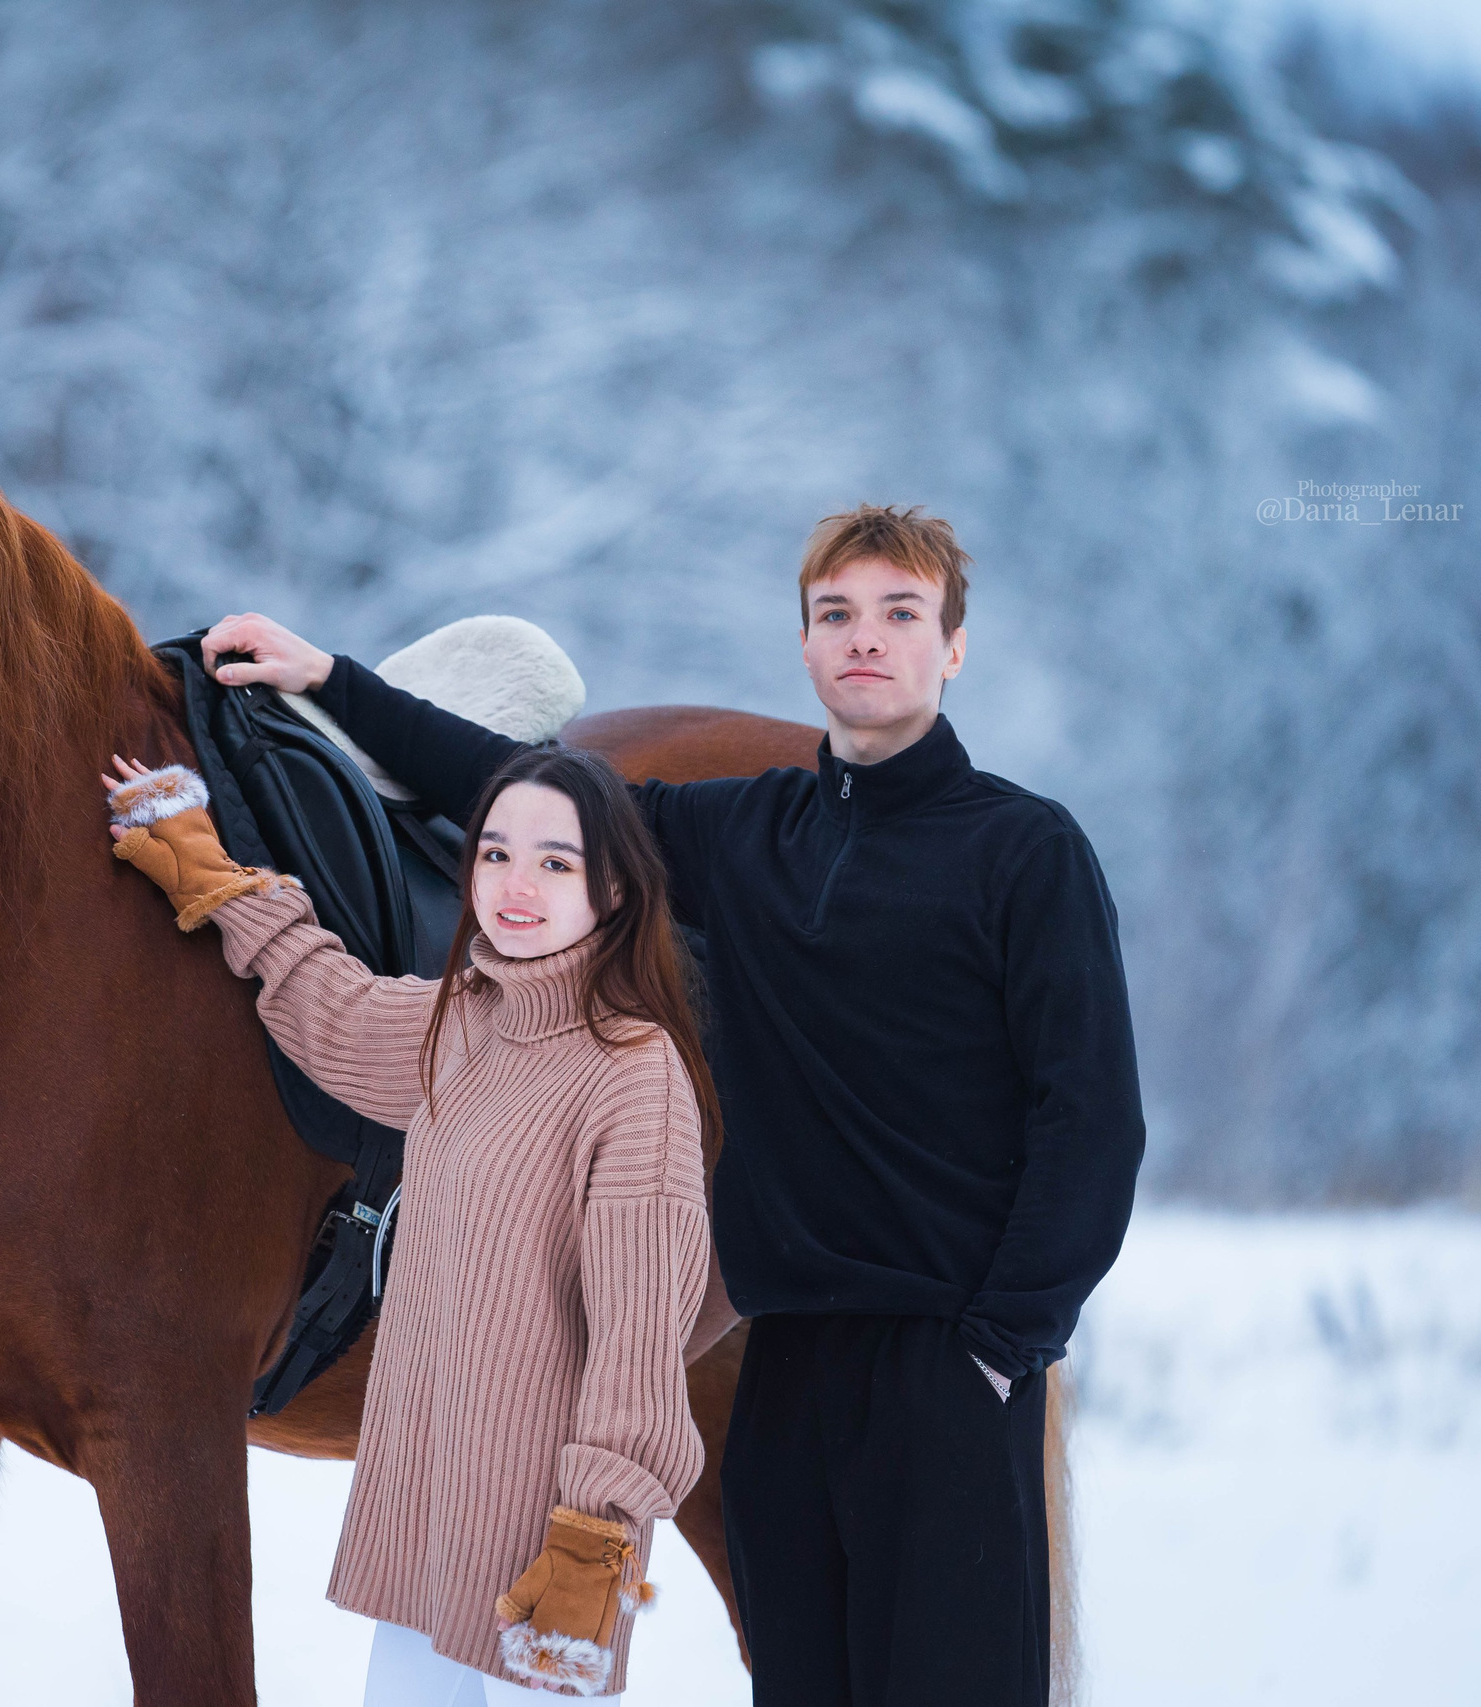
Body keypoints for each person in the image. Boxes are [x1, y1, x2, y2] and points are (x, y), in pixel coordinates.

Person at [198, 504, 1146, 1707]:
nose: (866, 640)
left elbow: (1092, 1122)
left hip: (946, 1369)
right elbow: (526, 800)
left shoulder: (1025, 850)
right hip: (786, 1358)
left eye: (900, 615)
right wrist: (334, 683)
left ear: (952, 647)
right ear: (804, 645)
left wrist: (1007, 1345)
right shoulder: (754, 831)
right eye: (836, 616)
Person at [100, 743, 719, 1701]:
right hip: (429, 1531)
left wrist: (595, 1541)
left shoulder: (633, 1073)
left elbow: (638, 1342)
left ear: (615, 889)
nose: (516, 884)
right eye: (497, 852)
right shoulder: (463, 1022)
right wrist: (213, 876)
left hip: (544, 1563)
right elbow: (331, 1005)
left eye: (556, 861)